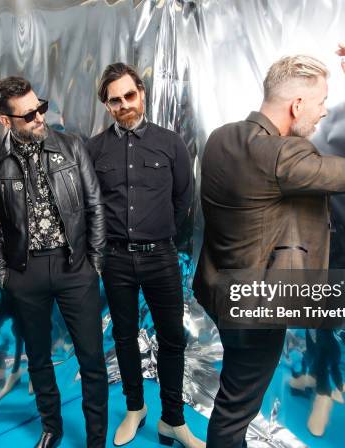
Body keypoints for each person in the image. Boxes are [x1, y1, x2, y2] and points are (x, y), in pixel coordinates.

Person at [192, 44, 345, 447]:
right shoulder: (284, 156)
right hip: (254, 308)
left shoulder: (220, 138)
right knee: (234, 411)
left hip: (219, 292)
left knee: (234, 394)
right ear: (297, 105)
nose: (323, 113)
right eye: (321, 103)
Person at [0, 76, 108, 448]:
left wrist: (95, 264)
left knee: (91, 358)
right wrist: (5, 275)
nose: (40, 118)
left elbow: (94, 206)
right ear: (7, 121)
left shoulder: (72, 147)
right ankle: (51, 427)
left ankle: (96, 438)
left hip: (75, 266)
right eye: (28, 115)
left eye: (40, 108)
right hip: (27, 273)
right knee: (38, 359)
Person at [87, 63, 202, 447]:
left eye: (129, 96)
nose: (125, 105)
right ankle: (135, 408)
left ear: (142, 92)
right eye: (115, 100)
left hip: (161, 257)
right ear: (107, 105)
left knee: (172, 339)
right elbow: (92, 205)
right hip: (116, 260)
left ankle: (173, 419)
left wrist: (157, 229)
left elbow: (184, 200)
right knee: (123, 337)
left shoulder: (171, 143)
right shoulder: (95, 149)